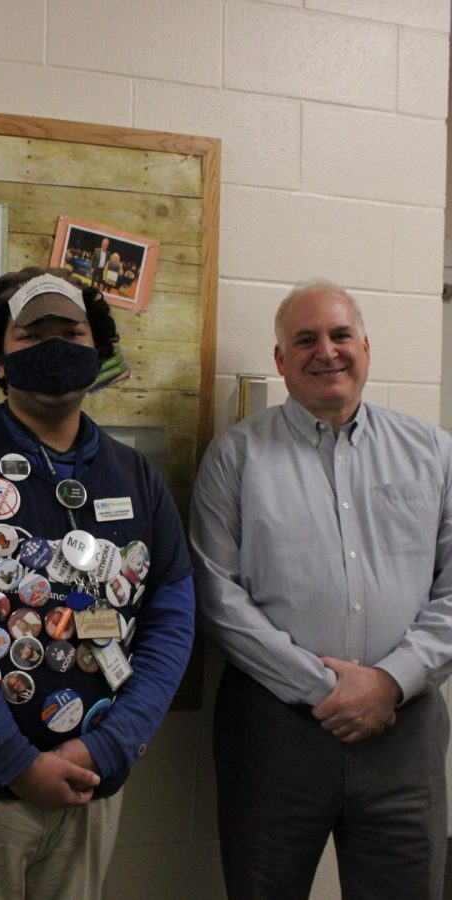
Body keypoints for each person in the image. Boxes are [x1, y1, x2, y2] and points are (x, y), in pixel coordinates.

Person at [0, 267, 195, 899]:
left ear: (99, 350)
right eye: (30, 335)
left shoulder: (137, 477)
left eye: (71, 332)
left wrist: (110, 748)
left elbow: (172, 615)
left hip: (88, 783)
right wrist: (15, 763)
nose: (54, 348)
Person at [190, 279, 452, 900]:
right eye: (304, 340)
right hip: (274, 731)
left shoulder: (433, 454)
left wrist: (390, 681)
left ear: (366, 345)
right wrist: (328, 691)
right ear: (281, 360)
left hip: (404, 726)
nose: (325, 352)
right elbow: (216, 595)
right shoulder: (236, 458)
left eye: (339, 335)